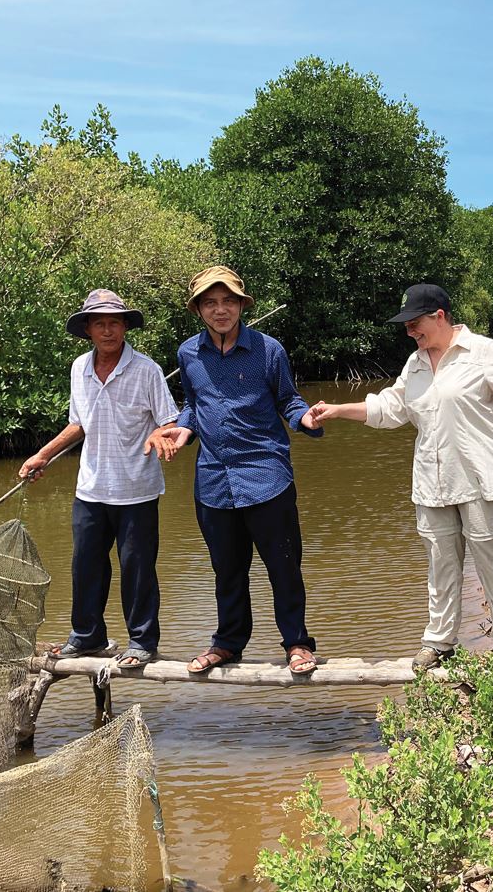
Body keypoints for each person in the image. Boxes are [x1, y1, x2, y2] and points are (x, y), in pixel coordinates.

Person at [311, 284, 493, 671]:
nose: (410, 332)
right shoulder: (416, 363)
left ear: (439, 316)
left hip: (480, 482)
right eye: (407, 326)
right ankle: (439, 641)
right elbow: (391, 408)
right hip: (432, 484)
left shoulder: (481, 352)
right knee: (440, 568)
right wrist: (341, 409)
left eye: (415, 324)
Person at [152, 266, 323, 676]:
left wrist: (306, 420)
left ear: (242, 305)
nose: (220, 310)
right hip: (213, 479)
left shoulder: (268, 350)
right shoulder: (188, 354)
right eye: (210, 303)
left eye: (228, 301)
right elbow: (193, 404)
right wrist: (183, 431)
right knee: (227, 571)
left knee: (284, 567)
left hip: (267, 475)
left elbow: (288, 401)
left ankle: (297, 643)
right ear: (198, 310)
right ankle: (228, 642)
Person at [19, 289, 179, 668]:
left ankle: (142, 641)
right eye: (100, 323)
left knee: (137, 568)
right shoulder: (79, 368)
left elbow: (169, 422)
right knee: (86, 565)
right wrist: (43, 455)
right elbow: (80, 423)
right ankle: (88, 636)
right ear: (88, 329)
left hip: (137, 489)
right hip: (91, 488)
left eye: (114, 323)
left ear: (125, 327)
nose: (108, 330)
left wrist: (161, 434)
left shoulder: (147, 370)